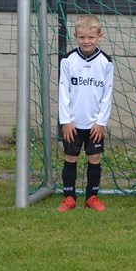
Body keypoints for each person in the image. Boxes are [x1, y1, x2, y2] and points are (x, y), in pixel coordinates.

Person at [56, 14, 114, 212]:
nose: (86, 41)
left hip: (94, 124)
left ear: (100, 36)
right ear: (75, 36)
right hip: (72, 123)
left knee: (94, 158)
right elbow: (63, 92)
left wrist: (101, 122)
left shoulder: (106, 62)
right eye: (82, 37)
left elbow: (107, 94)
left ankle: (91, 197)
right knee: (70, 157)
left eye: (91, 37)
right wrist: (66, 121)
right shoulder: (68, 60)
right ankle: (69, 197)